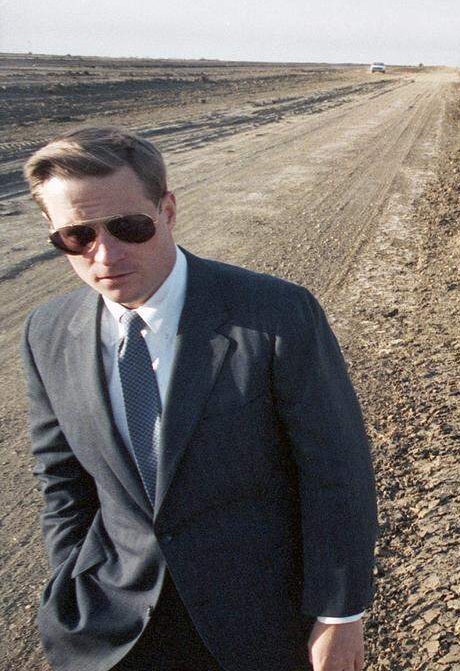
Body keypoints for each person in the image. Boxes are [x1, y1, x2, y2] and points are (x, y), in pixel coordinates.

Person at [20, 127, 377, 671]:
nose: (105, 253)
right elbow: (62, 479)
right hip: (112, 629)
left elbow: (336, 472)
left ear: (167, 210)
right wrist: (70, 582)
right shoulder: (47, 332)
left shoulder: (274, 316)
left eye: (128, 227)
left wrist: (339, 614)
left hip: (259, 627)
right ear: (53, 232)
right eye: (77, 236)